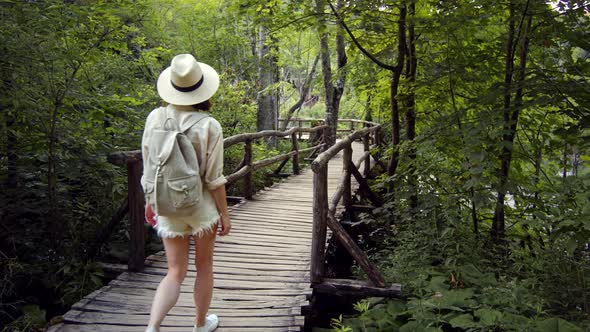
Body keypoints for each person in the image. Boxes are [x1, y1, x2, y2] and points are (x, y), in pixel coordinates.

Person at [142, 54, 231, 332]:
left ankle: (152, 327)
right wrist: (224, 214)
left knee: (174, 271)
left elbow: (148, 162)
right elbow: (214, 179)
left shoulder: (155, 117)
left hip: (167, 202)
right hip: (200, 207)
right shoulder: (209, 125)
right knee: (204, 267)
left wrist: (150, 200)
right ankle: (199, 324)